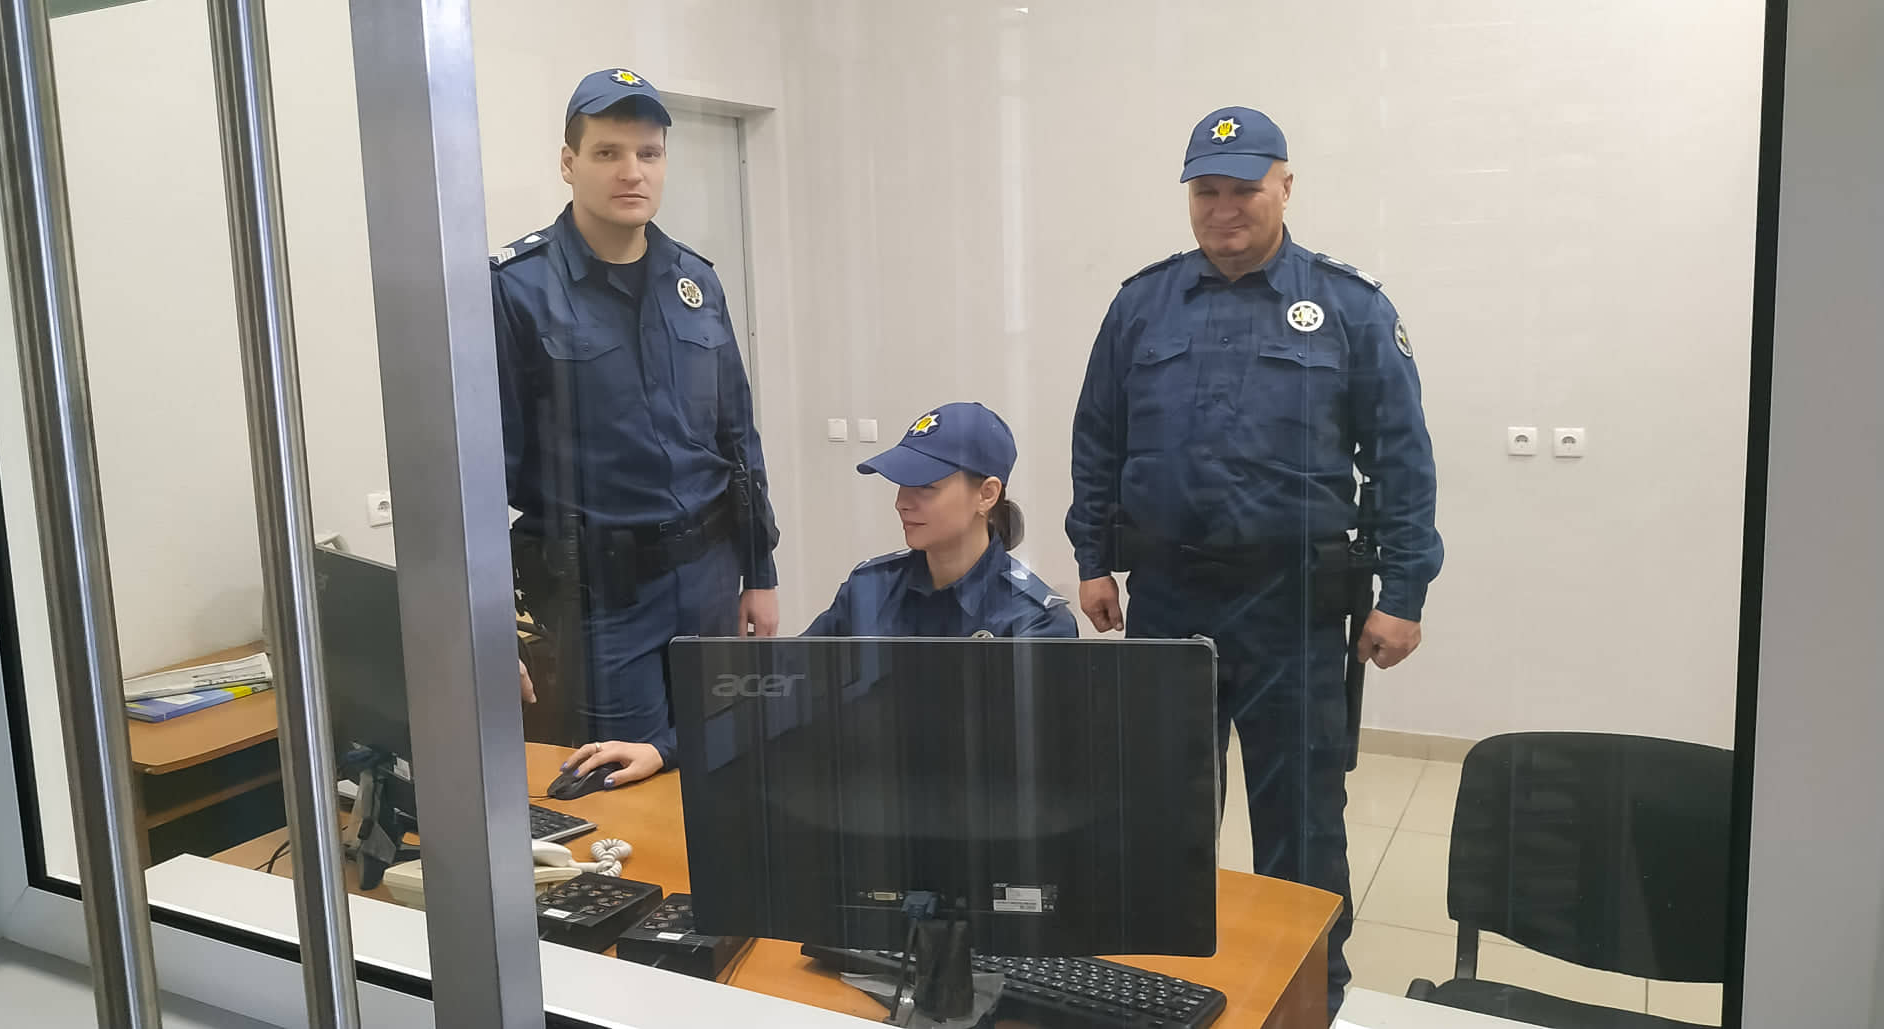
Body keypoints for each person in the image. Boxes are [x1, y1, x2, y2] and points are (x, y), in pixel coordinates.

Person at [1065, 106, 1442, 1012]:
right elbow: (1099, 439)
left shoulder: (1349, 308)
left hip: (1295, 605)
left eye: (1244, 189)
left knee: (1301, 822)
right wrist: (1093, 556)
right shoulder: (1141, 305)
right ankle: (1159, 986)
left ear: (1285, 187)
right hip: (1168, 597)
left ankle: (1310, 996)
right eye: (1207, 191)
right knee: (1162, 807)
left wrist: (1404, 589)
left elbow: (1401, 457)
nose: (1224, 208)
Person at [492, 67, 780, 793]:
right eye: (607, 152)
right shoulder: (515, 290)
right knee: (622, 785)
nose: (632, 171)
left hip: (711, 577)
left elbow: (737, 438)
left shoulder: (696, 281)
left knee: (726, 763)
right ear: (568, 162)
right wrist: (487, 623)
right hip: (603, 597)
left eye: (648, 153)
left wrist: (760, 572)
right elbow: (478, 476)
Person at [807, 402, 1076, 639]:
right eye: (902, 483)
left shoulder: (1034, 619)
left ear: (987, 495)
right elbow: (795, 672)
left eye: (925, 486)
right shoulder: (868, 591)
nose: (902, 503)